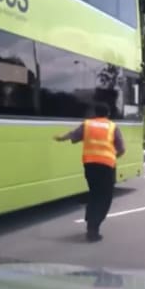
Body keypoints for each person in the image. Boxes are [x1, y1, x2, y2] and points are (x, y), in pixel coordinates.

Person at [54, 104, 125, 242]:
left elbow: (73, 135)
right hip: (107, 166)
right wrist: (113, 157)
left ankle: (90, 221)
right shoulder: (112, 127)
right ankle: (93, 227)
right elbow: (121, 149)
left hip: (90, 165)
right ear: (108, 113)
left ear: (95, 113)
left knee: (94, 193)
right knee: (104, 197)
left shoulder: (87, 124)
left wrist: (60, 138)